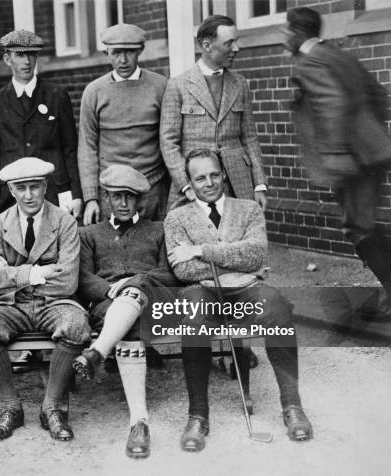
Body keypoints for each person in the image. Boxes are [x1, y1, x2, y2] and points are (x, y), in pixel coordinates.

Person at [164, 148, 313, 452]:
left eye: (215, 174)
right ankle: (198, 416)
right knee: (192, 319)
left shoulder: (248, 210)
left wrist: (202, 250)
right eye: (200, 178)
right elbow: (182, 269)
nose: (209, 183)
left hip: (247, 289)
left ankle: (292, 406)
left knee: (279, 308)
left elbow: (256, 254)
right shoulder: (176, 217)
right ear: (189, 183)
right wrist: (234, 257)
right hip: (202, 291)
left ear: (224, 174)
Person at [0, 157, 90, 442]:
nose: (28, 195)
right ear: (11, 190)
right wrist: (39, 273)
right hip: (12, 305)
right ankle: (12, 406)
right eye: (21, 188)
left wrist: (12, 274)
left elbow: (68, 279)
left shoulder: (64, 222)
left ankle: (51, 407)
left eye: (34, 187)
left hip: (54, 303)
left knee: (75, 324)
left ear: (45, 186)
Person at [283, 7, 391, 321]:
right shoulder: (341, 54)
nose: (284, 38)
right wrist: (373, 138)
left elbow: (332, 102)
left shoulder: (310, 60)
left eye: (286, 31)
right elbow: (378, 95)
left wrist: (336, 154)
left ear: (298, 31)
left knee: (359, 228)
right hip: (371, 155)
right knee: (363, 224)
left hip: (350, 160)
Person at [73, 164, 177, 458]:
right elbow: (82, 278)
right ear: (105, 197)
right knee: (129, 321)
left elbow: (169, 274)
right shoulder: (89, 234)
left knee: (139, 290)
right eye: (116, 196)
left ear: (139, 201)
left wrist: (134, 283)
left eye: (129, 197)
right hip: (107, 306)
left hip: (154, 304)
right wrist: (111, 290)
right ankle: (139, 422)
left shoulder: (158, 230)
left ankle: (97, 352)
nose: (122, 202)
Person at [160, 15, 267, 209]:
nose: (236, 48)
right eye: (229, 43)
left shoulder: (240, 84)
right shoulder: (178, 85)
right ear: (207, 45)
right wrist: (185, 185)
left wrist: (259, 184)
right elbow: (168, 143)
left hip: (238, 185)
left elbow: (250, 137)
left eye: (236, 41)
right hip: (195, 185)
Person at [0, 30, 83, 219]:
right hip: (12, 196)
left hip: (54, 190)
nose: (27, 62)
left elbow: (70, 149)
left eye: (31, 55)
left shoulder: (56, 95)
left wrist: (76, 194)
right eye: (19, 55)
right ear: (7, 59)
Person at [78, 24, 169, 225]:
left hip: (153, 189)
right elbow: (87, 147)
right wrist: (91, 197)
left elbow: (170, 140)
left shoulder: (160, 86)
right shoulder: (94, 92)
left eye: (129, 52)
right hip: (111, 193)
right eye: (116, 53)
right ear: (107, 53)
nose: (123, 60)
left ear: (140, 51)